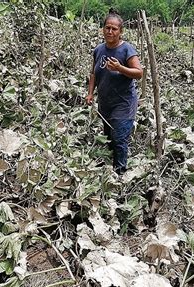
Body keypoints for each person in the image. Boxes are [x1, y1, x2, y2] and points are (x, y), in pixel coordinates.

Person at [85, 9, 143, 175]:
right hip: (105, 104)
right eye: (107, 28)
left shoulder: (127, 50)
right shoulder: (98, 50)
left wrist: (120, 68)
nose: (110, 31)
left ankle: (120, 174)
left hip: (123, 104)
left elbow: (139, 73)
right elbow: (93, 73)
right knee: (109, 139)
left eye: (114, 29)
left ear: (120, 31)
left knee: (119, 140)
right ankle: (110, 170)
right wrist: (90, 93)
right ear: (103, 29)